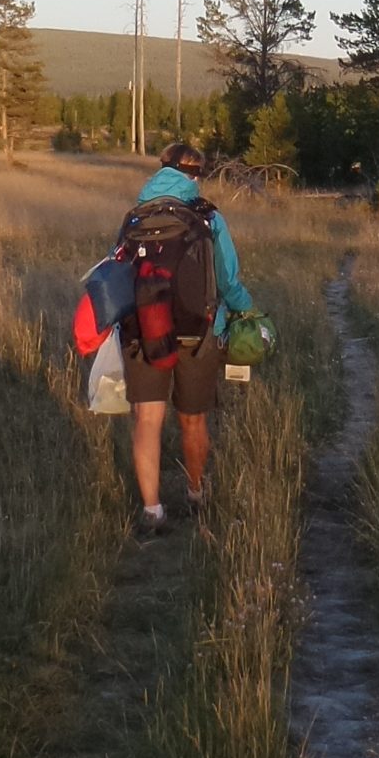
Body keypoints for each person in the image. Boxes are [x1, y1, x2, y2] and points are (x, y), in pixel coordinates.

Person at [122, 140, 252, 534]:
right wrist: (246, 311)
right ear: (196, 176)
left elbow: (118, 274)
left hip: (143, 327)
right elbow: (227, 279)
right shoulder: (208, 217)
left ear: (161, 168)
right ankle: (196, 492)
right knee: (192, 420)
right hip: (199, 330)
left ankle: (152, 511)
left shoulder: (135, 216)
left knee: (147, 419)